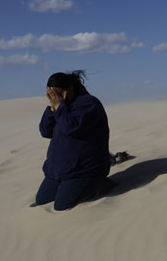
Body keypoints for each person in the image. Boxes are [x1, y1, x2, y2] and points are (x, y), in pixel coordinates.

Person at [35, 70, 111, 210]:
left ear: (70, 88)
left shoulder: (88, 104)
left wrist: (59, 107)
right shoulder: (59, 106)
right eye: (51, 95)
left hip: (83, 170)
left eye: (57, 93)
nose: (55, 98)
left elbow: (71, 128)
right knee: (41, 201)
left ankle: (101, 184)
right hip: (57, 170)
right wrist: (52, 109)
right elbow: (45, 131)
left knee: (62, 206)